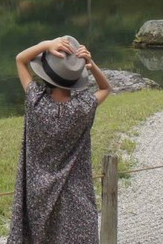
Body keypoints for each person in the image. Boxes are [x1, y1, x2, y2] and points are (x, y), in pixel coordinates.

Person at [8, 36, 112, 244]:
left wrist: (46, 44)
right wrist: (91, 65)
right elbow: (105, 88)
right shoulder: (82, 108)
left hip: (38, 192)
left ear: (45, 75)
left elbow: (20, 59)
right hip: (76, 193)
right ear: (75, 79)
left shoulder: (35, 102)